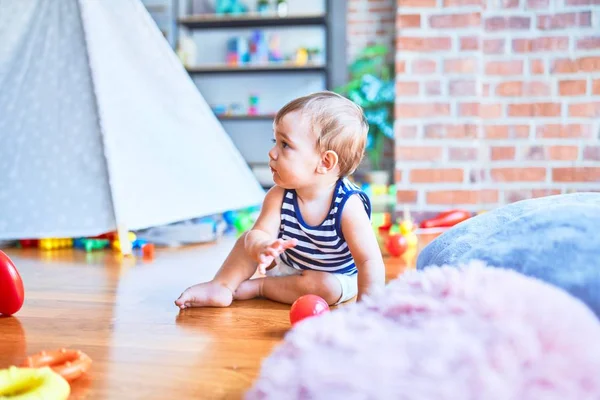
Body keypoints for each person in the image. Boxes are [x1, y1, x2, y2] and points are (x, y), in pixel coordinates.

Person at [175, 91, 385, 309]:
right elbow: (260, 233)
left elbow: (369, 261)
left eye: (285, 145)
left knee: (327, 288)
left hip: (334, 276)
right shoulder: (279, 195)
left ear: (325, 161)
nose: (272, 153)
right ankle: (222, 286)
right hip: (289, 266)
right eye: (275, 141)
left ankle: (259, 287)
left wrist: (368, 308)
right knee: (247, 238)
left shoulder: (348, 205)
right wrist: (263, 246)